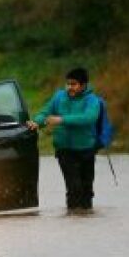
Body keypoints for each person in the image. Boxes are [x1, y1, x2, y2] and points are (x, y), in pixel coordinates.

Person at [27, 67, 102, 213]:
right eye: (68, 84)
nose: (69, 88)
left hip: (87, 150)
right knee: (73, 187)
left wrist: (62, 120)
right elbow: (45, 112)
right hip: (65, 150)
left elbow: (88, 118)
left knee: (87, 190)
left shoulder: (92, 101)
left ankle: (84, 221)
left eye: (73, 84)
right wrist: (37, 122)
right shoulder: (59, 97)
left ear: (83, 85)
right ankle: (73, 219)